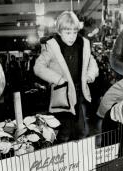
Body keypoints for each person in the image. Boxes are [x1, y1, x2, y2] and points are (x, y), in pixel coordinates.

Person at [34, 11, 99, 143]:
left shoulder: (83, 45)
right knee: (63, 133)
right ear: (59, 31)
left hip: (78, 93)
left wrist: (89, 76)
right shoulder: (52, 46)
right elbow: (38, 67)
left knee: (81, 131)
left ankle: (79, 160)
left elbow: (92, 63)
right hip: (61, 96)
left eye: (75, 32)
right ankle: (65, 160)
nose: (72, 37)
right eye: (68, 33)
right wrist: (58, 79)